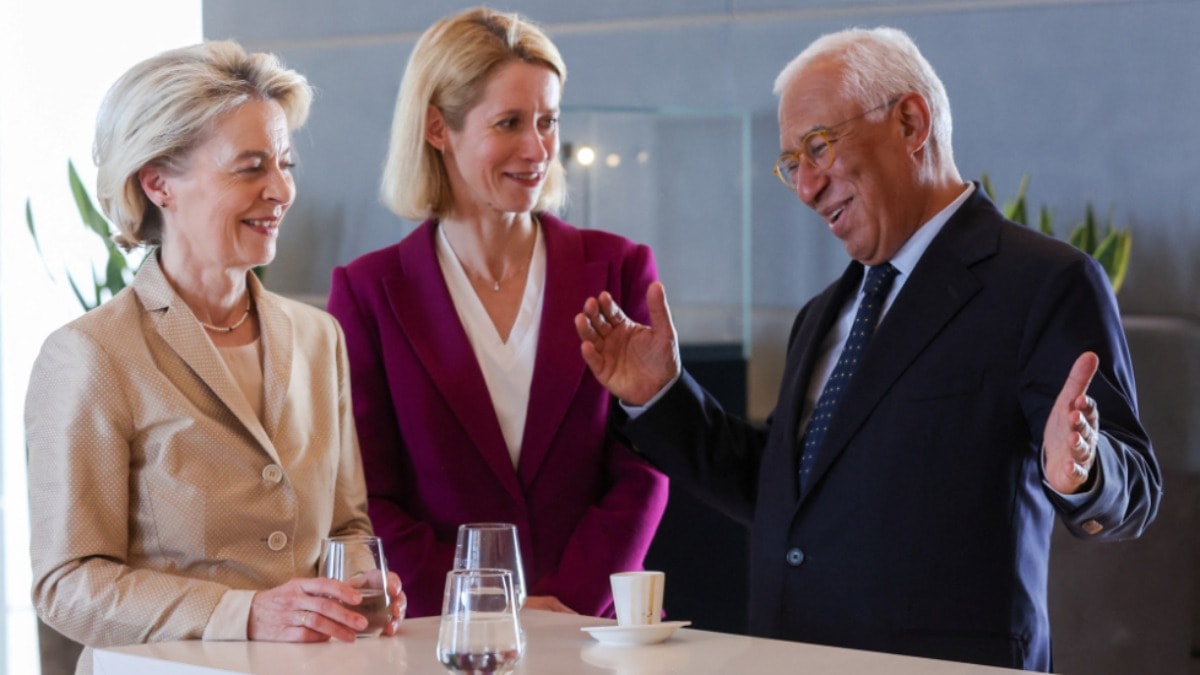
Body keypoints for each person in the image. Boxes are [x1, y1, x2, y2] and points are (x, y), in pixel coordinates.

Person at [576, 26, 1160, 671]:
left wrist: (1083, 470)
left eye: (819, 147)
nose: (806, 188)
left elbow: (1135, 488)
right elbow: (783, 492)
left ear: (910, 122)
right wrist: (661, 398)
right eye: (792, 164)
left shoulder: (1044, 282)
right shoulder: (822, 314)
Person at [25, 41, 406, 675]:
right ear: (158, 183)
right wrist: (245, 614)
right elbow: (68, 584)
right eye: (250, 167)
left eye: (285, 163)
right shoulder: (90, 354)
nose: (281, 189)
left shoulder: (319, 338)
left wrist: (361, 587)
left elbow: (346, 529)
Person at [326, 7, 669, 619]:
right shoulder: (368, 292)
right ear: (438, 128)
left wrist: (567, 604)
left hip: (599, 627)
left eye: (548, 121)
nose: (537, 149)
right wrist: (486, 609)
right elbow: (365, 494)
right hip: (442, 633)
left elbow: (644, 465)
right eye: (509, 123)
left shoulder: (619, 268)